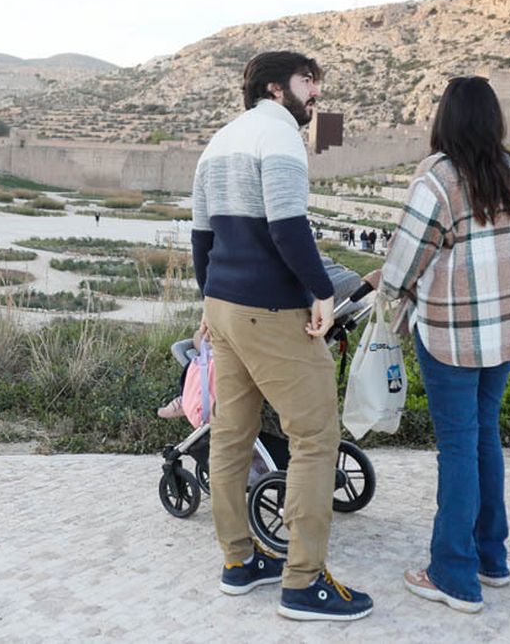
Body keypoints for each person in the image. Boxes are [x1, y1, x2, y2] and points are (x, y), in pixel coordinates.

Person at [191, 51, 372, 622]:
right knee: (317, 435)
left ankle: (238, 563)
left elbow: (201, 236)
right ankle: (304, 581)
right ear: (276, 88)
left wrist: (210, 297)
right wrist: (321, 291)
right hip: (270, 310)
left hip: (225, 307)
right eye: (308, 81)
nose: (315, 94)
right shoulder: (281, 136)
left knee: (230, 435)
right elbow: (288, 224)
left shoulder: (219, 141)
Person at [371, 76, 510, 615]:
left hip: (452, 335)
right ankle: (492, 558)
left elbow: (405, 260)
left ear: (444, 119)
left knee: (459, 446)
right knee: (485, 435)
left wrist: (387, 290)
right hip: (506, 331)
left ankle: (454, 574)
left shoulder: (439, 178)